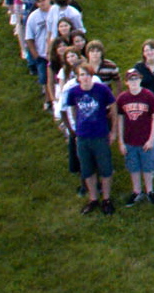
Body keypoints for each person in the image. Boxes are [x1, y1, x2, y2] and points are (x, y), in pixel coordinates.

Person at [62, 62, 117, 214]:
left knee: (105, 169)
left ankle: (106, 199)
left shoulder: (102, 90)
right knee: (87, 170)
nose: (85, 78)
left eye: (87, 74)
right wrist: (76, 129)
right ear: (77, 78)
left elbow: (113, 107)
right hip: (83, 137)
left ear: (92, 75)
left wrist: (113, 131)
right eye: (81, 75)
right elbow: (72, 110)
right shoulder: (73, 92)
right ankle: (93, 199)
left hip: (100, 135)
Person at [114, 64, 154, 205]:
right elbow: (120, 120)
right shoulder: (122, 99)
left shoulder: (148, 96)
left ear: (140, 80)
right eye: (131, 80)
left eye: (136, 79)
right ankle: (136, 191)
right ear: (126, 82)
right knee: (133, 167)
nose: (134, 82)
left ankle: (149, 190)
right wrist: (121, 142)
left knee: (148, 167)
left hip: (146, 140)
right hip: (130, 140)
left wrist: (151, 139)